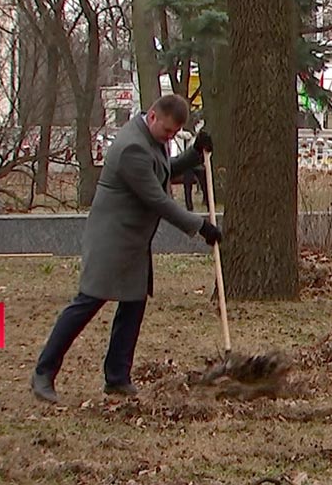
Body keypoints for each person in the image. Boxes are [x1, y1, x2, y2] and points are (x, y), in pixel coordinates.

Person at [30, 94, 221, 403]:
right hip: (112, 240)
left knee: (133, 305)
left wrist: (194, 154)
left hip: (133, 240)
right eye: (168, 132)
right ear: (154, 117)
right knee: (86, 304)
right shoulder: (132, 147)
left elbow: (162, 169)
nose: (169, 138)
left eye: (175, 134)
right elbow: (157, 199)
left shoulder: (149, 137)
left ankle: (117, 377)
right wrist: (200, 226)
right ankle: (44, 372)